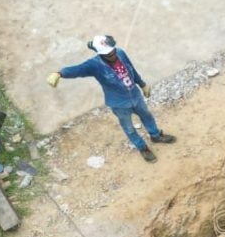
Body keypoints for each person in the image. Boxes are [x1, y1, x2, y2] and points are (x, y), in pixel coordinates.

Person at [48, 35, 176, 163]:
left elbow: (132, 70)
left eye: (113, 51)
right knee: (129, 128)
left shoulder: (120, 53)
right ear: (101, 54)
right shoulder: (94, 65)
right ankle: (142, 148)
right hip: (119, 103)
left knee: (147, 116)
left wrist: (142, 84)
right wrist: (59, 73)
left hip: (135, 95)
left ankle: (156, 135)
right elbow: (77, 70)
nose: (113, 54)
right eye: (108, 54)